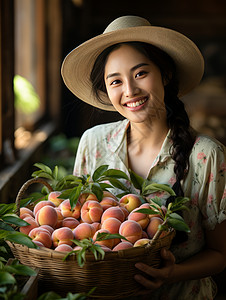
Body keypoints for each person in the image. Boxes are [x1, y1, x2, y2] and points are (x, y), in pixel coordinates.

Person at [61, 15, 226, 300]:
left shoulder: (205, 155)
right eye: (115, 81)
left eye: (140, 73)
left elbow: (221, 254)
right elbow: (79, 228)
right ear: (106, 90)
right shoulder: (94, 142)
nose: (129, 91)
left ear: (165, 74)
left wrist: (171, 274)